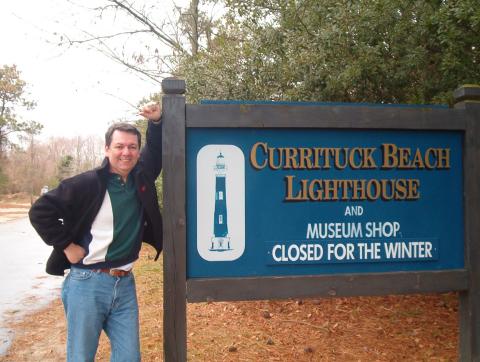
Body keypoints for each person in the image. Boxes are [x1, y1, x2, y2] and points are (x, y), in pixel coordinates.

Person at [29, 102, 163, 362]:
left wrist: (156, 122)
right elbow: (40, 211)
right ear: (107, 149)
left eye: (132, 147)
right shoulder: (86, 183)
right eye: (119, 146)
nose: (126, 152)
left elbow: (155, 151)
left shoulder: (141, 178)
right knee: (81, 357)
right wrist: (67, 245)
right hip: (87, 284)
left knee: (129, 357)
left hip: (124, 284)